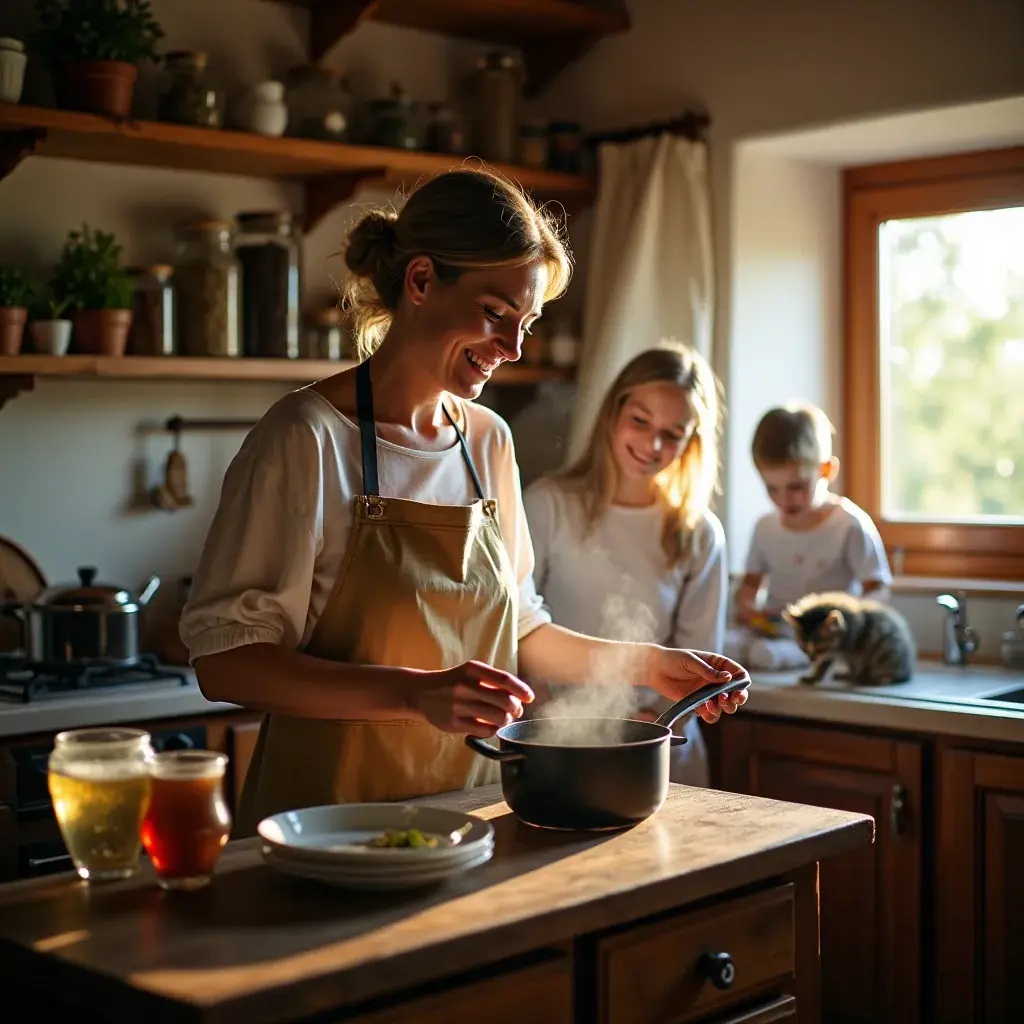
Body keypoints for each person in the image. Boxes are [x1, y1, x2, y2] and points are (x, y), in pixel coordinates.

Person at [179, 169, 749, 837]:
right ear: (420, 281)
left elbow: (524, 632)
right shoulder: (305, 438)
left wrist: (648, 664)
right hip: (328, 825)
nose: (511, 349)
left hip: (471, 817)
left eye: (526, 324)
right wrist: (414, 695)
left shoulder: (487, 441)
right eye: (495, 314)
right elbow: (227, 661)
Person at [523, 342, 727, 787]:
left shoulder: (698, 534)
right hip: (558, 746)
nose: (653, 445)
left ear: (691, 442)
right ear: (613, 413)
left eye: (673, 433)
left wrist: (647, 724)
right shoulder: (548, 504)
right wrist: (554, 721)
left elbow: (700, 664)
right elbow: (514, 631)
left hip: (663, 753)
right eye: (640, 421)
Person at [729, 401, 892, 670]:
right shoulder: (765, 527)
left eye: (797, 486)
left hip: (822, 639)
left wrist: (843, 617)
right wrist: (748, 609)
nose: (785, 499)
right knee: (721, 647)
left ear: (826, 470)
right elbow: (749, 586)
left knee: (766, 656)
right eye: (772, 488)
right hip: (774, 631)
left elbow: (879, 590)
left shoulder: (850, 525)